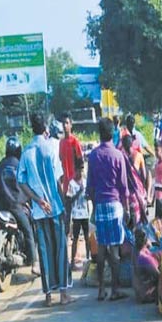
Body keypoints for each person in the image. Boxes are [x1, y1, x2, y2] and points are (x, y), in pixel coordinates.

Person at [17, 113, 74, 307]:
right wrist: (63, 204)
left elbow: (22, 182)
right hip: (55, 207)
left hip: (39, 210)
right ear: (46, 129)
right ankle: (64, 294)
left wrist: (38, 200)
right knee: (60, 249)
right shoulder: (51, 148)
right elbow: (59, 180)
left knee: (45, 251)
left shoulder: (26, 152)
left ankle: (48, 296)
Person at [86, 117, 130, 302]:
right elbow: (123, 186)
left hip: (100, 205)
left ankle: (101, 289)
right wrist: (127, 209)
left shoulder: (93, 156)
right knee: (115, 250)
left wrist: (94, 207)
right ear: (113, 133)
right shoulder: (118, 155)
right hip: (115, 205)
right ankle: (115, 289)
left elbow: (90, 187)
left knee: (102, 247)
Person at [0, 137, 39, 276]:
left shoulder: (0, 165)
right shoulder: (20, 165)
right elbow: (26, 185)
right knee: (29, 231)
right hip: (15, 205)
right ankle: (35, 263)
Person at [67, 160, 90, 272]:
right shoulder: (72, 184)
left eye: (81, 170)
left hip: (85, 214)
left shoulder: (85, 182)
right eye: (78, 170)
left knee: (87, 237)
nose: (80, 172)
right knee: (75, 239)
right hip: (76, 215)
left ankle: (88, 258)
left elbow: (88, 197)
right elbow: (69, 200)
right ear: (75, 170)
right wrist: (79, 192)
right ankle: (72, 262)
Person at [121, 135, 148, 225]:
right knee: (139, 218)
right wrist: (142, 188)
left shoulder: (122, 158)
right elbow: (144, 175)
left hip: (127, 195)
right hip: (138, 192)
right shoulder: (139, 155)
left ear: (123, 145)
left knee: (129, 222)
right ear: (132, 144)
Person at [133, 226, 159, 304]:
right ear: (146, 240)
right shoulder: (145, 258)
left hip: (139, 291)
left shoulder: (135, 251)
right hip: (147, 294)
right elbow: (158, 276)